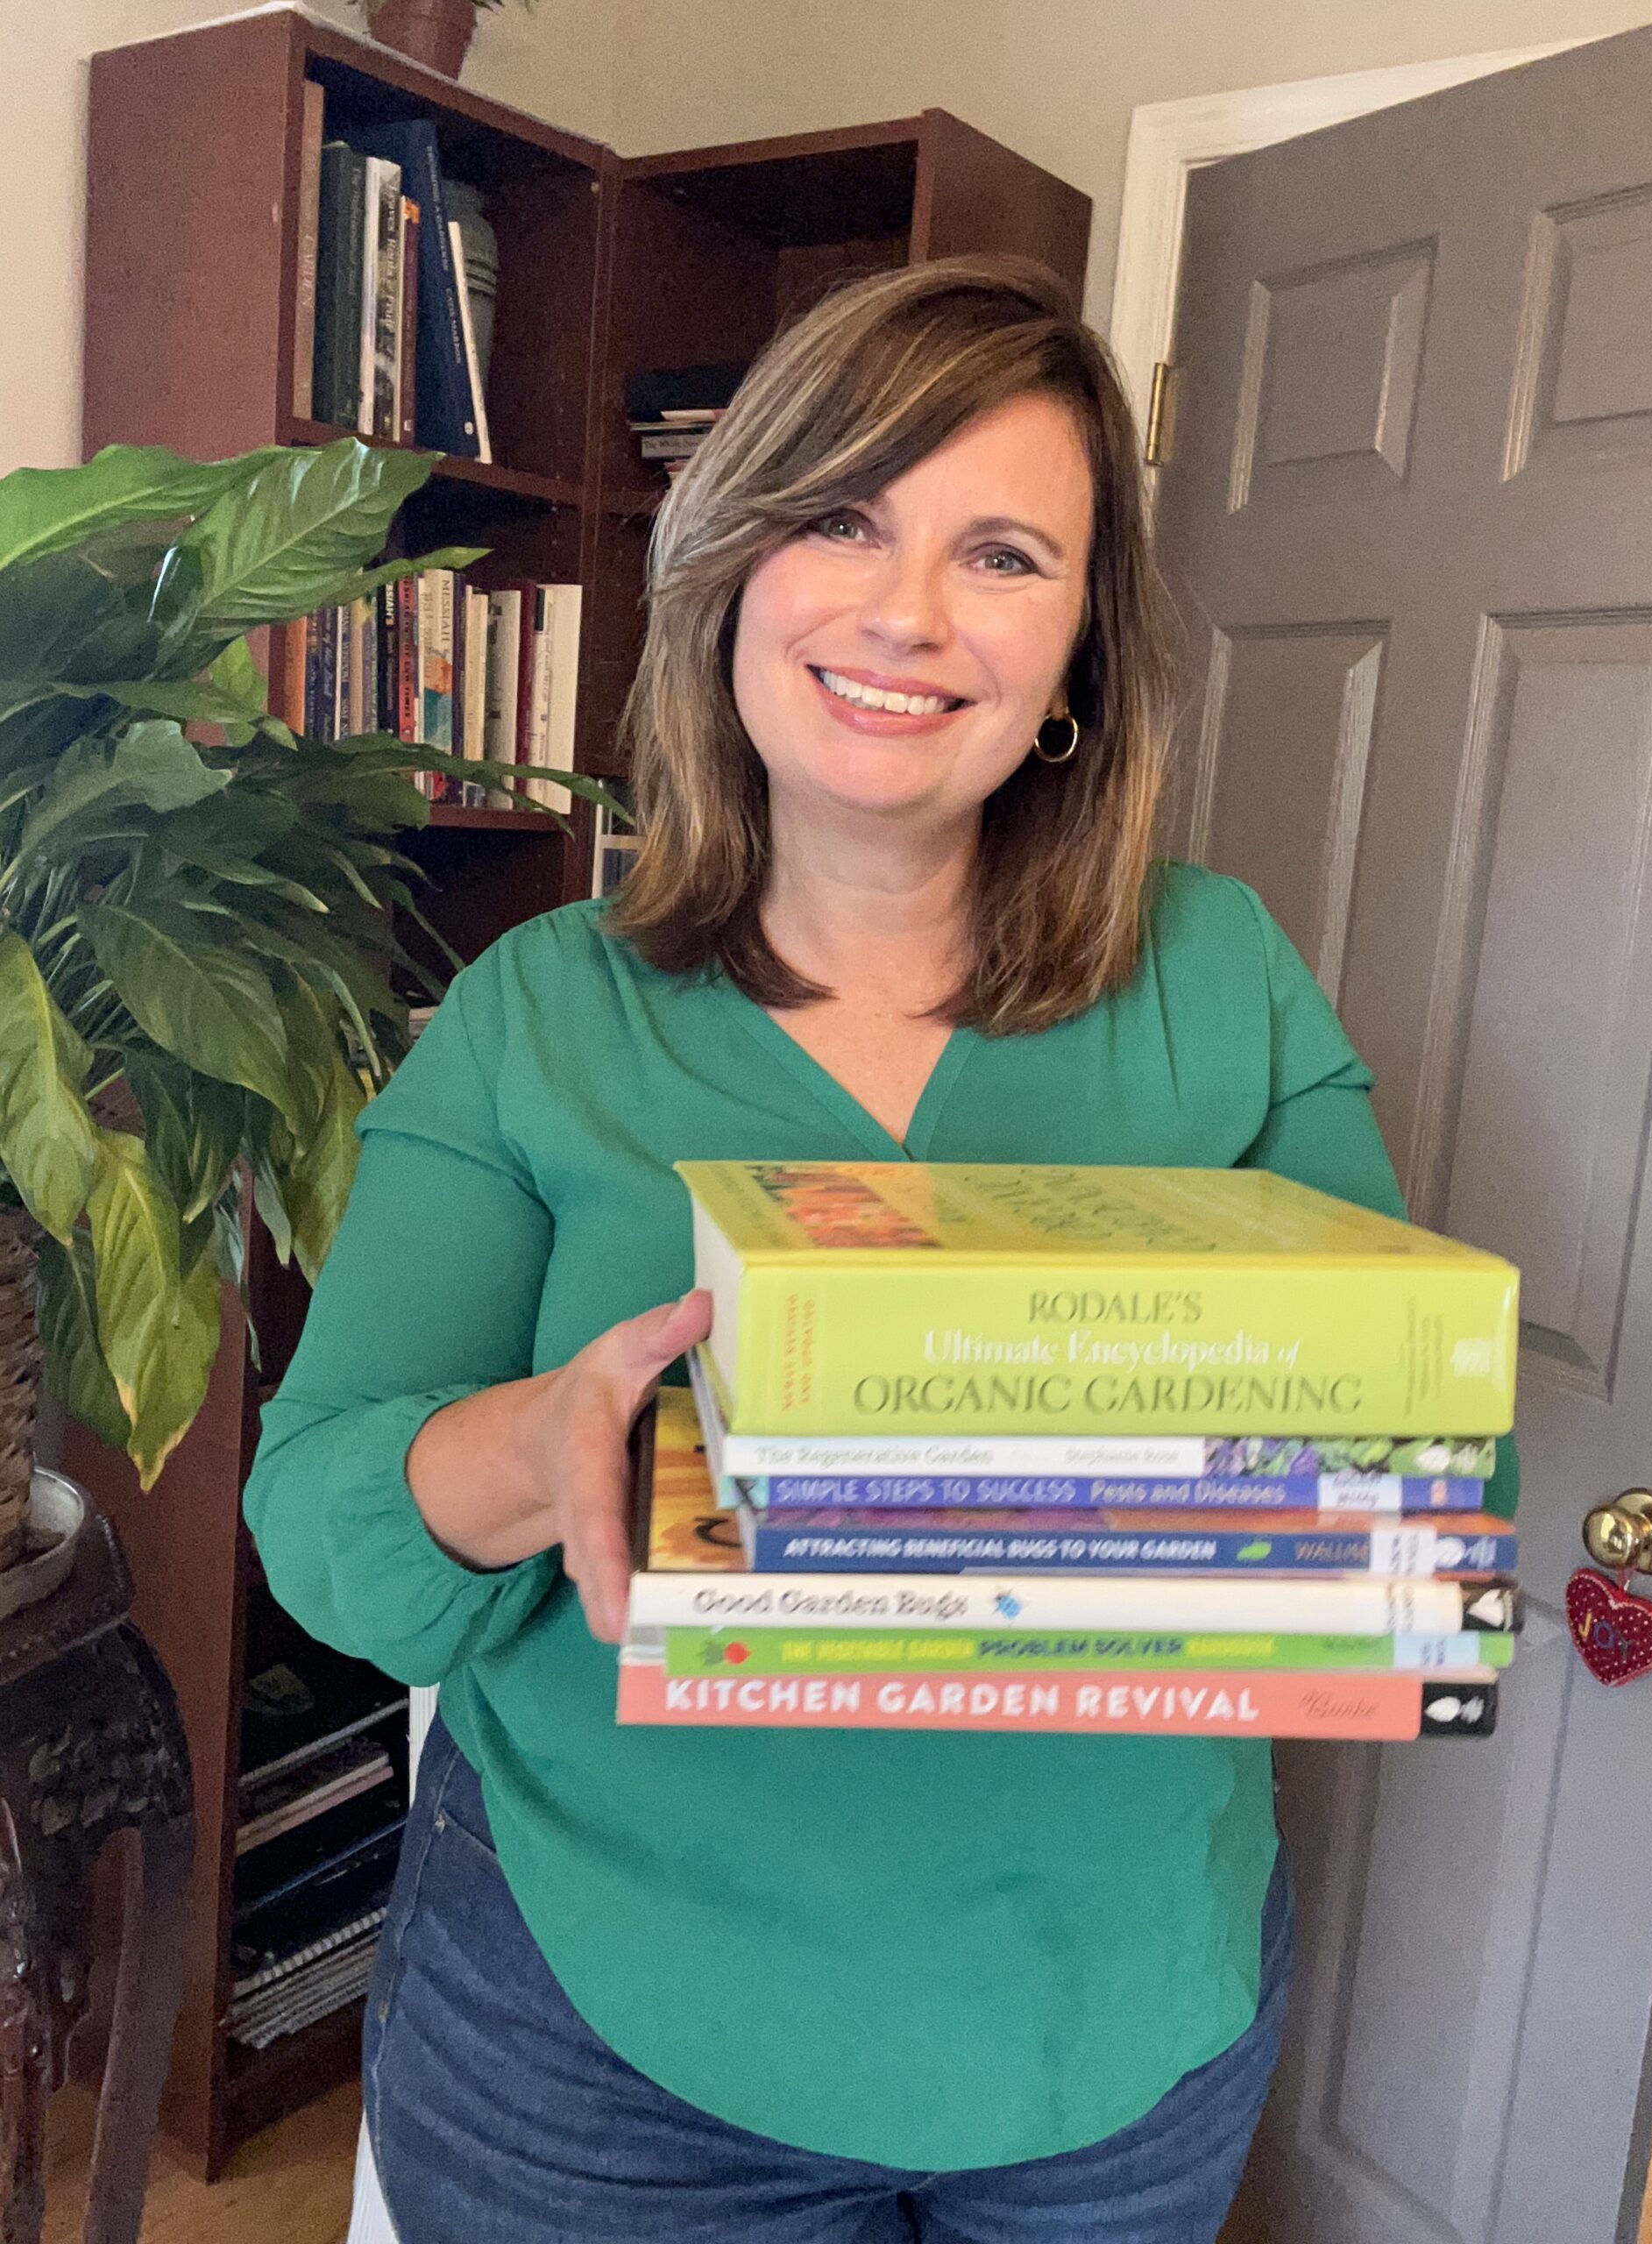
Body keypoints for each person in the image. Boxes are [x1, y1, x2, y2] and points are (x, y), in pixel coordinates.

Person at [245, 256, 1500, 2242]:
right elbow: (317, 1515)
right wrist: (544, 1442)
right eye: (844, 515)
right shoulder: (537, 1013)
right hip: (604, 2052)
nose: (907, 611)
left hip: (1116, 2042)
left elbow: (1395, 1478)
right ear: (736, 568)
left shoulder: (1223, 980)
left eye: (1002, 551)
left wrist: (1279, 1485)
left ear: (1080, 649)